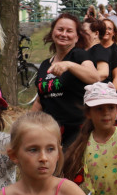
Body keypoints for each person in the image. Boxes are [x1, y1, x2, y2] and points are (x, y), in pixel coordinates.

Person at [32, 12, 99, 148]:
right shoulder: (45, 64)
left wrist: (69, 65)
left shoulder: (79, 55)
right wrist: (25, 123)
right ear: (52, 33)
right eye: (60, 29)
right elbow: (40, 99)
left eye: (69, 31)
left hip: (76, 130)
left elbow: (94, 77)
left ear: (76, 37)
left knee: (67, 168)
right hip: (49, 130)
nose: (64, 34)